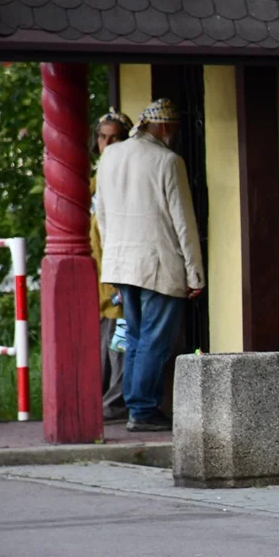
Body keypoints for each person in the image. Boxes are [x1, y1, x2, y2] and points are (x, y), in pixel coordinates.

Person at [95, 99, 204, 432]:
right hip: (157, 265)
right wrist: (195, 273)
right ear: (165, 127)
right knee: (155, 341)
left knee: (135, 337)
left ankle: (135, 406)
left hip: (121, 263)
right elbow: (183, 222)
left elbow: (102, 215)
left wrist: (111, 259)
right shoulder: (169, 161)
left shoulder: (111, 156)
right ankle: (142, 410)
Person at [89, 108, 132, 422]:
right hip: (97, 272)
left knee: (120, 339)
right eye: (103, 138)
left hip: (118, 270)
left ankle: (115, 403)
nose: (108, 144)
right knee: (105, 340)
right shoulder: (95, 180)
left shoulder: (126, 177)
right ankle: (102, 401)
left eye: (115, 138)